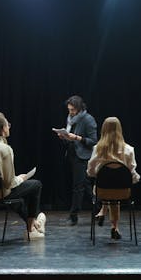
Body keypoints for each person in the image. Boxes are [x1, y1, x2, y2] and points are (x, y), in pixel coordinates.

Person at [0, 112, 46, 239]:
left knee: (18, 200)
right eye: (8, 125)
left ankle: (34, 225)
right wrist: (22, 178)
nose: (9, 127)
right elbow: (8, 183)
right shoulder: (5, 149)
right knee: (36, 185)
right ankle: (31, 227)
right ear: (3, 129)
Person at [87, 116, 140, 240]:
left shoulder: (97, 150)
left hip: (101, 192)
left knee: (105, 186)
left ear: (103, 130)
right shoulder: (128, 150)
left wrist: (100, 174)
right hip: (123, 192)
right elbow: (132, 173)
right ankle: (115, 227)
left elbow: (90, 171)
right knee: (115, 191)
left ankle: (103, 212)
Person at [54, 95, 97, 225]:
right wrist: (64, 137)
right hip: (73, 155)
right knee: (85, 185)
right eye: (69, 109)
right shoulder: (71, 119)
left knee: (78, 186)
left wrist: (77, 138)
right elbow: (70, 136)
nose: (70, 112)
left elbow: (93, 141)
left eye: (72, 110)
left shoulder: (88, 119)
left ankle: (74, 215)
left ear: (79, 108)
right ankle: (100, 208)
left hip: (82, 156)